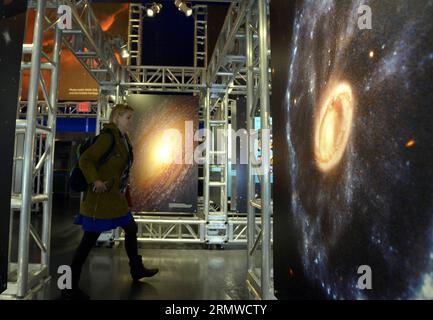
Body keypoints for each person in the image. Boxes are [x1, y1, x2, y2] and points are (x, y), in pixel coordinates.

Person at [62, 104, 158, 300]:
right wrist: (95, 180)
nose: (131, 121)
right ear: (117, 118)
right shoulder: (108, 137)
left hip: (115, 198)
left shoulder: (124, 139)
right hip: (101, 200)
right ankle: (68, 287)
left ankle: (136, 269)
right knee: (87, 243)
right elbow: (86, 160)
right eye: (128, 117)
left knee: (131, 228)